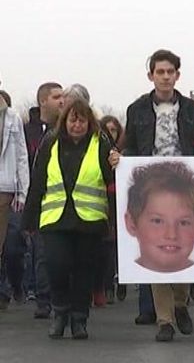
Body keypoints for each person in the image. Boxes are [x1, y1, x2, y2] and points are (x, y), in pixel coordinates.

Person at [113, 48, 194, 342]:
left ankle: (180, 303)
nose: (166, 77)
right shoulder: (137, 109)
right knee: (157, 249)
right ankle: (164, 320)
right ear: (151, 76)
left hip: (185, 181)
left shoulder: (192, 109)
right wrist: (121, 159)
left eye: (171, 72)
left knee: (184, 245)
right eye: (160, 72)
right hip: (152, 182)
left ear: (177, 75)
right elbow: (130, 144)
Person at [21, 99, 114, 340]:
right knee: (56, 266)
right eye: (73, 119)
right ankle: (60, 312)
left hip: (90, 221)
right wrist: (29, 220)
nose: (77, 125)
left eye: (82, 120)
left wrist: (115, 220)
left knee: (85, 272)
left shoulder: (101, 144)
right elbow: (38, 180)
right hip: (55, 219)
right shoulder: (50, 142)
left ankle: (79, 319)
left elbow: (114, 181)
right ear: (65, 120)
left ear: (89, 122)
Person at [23, 82, 64, 319]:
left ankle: (61, 299)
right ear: (43, 101)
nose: (62, 100)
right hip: (39, 199)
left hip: (65, 202)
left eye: (63, 96)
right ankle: (43, 299)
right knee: (41, 253)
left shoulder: (71, 128)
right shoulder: (29, 131)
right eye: (56, 96)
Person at [0, 90, 30, 309]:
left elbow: (21, 155)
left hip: (5, 188)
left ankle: (12, 286)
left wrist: (22, 191)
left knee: (7, 246)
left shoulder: (12, 117)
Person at [99, 115, 126, 303]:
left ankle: (123, 282)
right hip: (107, 199)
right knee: (108, 245)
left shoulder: (126, 151)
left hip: (123, 199)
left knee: (123, 244)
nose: (111, 133)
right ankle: (108, 285)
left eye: (114, 129)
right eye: (108, 129)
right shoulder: (102, 150)